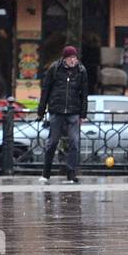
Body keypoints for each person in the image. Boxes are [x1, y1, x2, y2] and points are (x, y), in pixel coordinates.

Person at [38, 44, 87, 184]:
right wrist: (41, 111)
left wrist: (83, 114)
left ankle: (71, 173)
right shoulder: (54, 69)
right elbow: (46, 90)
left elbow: (84, 93)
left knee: (74, 142)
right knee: (52, 142)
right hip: (56, 110)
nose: (73, 60)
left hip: (73, 111)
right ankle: (46, 173)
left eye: (75, 57)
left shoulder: (81, 71)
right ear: (64, 59)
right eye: (70, 58)